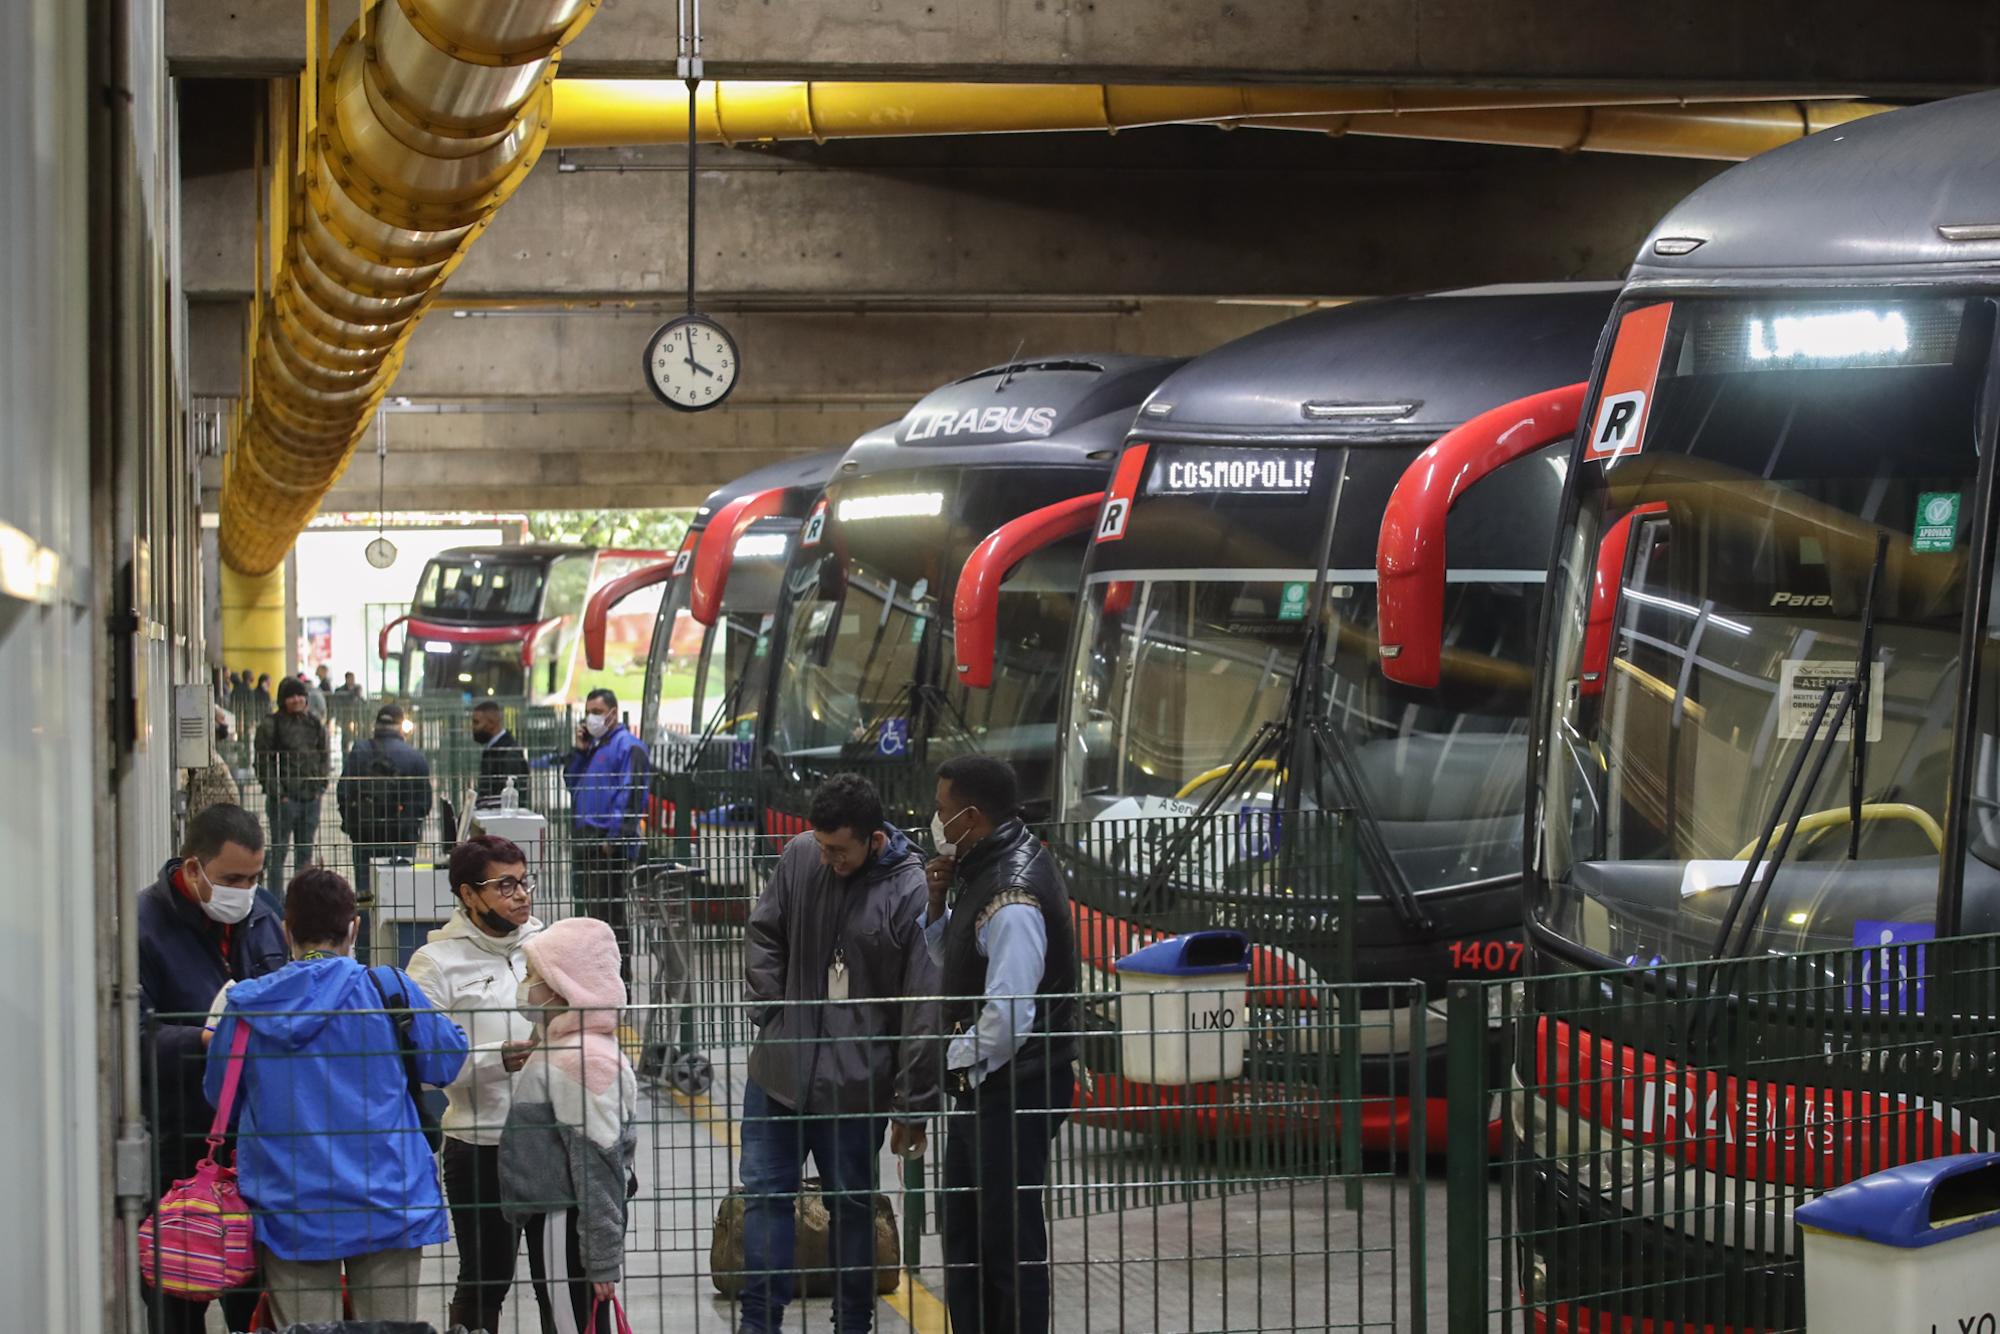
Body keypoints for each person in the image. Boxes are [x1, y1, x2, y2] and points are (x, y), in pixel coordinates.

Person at [205, 867, 467, 1326]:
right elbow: (445, 1062)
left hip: (292, 1205)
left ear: (287, 930)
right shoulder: (389, 990)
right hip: (389, 1201)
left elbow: (218, 1095)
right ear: (354, 928)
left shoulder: (247, 1006)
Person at [737, 773, 941, 1334]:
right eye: (821, 846)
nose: (827, 859)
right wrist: (772, 1010)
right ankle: (759, 1322)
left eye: (839, 850)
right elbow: (765, 931)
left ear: (875, 839)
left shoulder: (912, 891)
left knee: (851, 1207)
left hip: (855, 1087)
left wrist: (912, 1101)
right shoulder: (802, 855)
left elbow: (922, 1003)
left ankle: (853, 1322)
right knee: (765, 1198)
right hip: (779, 1074)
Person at [922, 755, 1078, 1334]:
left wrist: (954, 1059)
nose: (935, 821)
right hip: (990, 1083)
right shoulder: (981, 868)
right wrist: (936, 905)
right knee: (965, 1231)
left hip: (1018, 1084)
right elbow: (960, 961)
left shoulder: (1012, 895)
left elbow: (1009, 1014)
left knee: (1007, 1240)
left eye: (942, 810)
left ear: (971, 815)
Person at [138, 803, 289, 1334]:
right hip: (180, 1142)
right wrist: (206, 1038)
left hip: (254, 1145)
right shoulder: (144, 928)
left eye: (253, 878)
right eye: (232, 879)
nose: (243, 891)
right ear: (193, 867)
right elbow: (131, 1037)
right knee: (177, 1297)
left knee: (256, 1303)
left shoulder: (263, 916)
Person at [406, 835, 544, 1334]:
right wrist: (494, 1060)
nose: (522, 894)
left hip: (550, 1137)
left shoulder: (545, 944)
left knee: (562, 1275)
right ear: (469, 894)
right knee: (486, 1277)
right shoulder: (435, 963)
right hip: (480, 1141)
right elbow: (425, 1063)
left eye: (524, 880)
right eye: (505, 884)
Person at [500, 917, 639, 1334]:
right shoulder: (564, 1045)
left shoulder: (581, 1060)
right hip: (560, 1218)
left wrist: (600, 1260)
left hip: (566, 1221)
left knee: (570, 1324)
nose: (524, 984)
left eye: (532, 975)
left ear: (564, 987)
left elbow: (598, 1169)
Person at [562, 688, 648, 957]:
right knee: (594, 917)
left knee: (611, 919)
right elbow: (571, 783)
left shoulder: (628, 746)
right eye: (588, 712)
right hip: (587, 840)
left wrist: (614, 839)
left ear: (612, 713)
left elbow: (631, 794)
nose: (591, 718)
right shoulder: (595, 748)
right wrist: (579, 752)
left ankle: (620, 980)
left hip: (607, 845)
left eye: (597, 712)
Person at [337, 703, 434, 917]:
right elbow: (424, 802)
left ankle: (364, 945)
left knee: (365, 895)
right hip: (402, 838)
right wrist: (410, 823)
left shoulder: (360, 751)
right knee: (401, 895)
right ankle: (398, 944)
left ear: (376, 725)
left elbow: (344, 790)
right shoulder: (415, 757)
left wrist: (352, 824)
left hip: (365, 835)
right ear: (402, 727)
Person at [254, 676, 330, 889]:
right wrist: (279, 793)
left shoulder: (315, 724)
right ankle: (276, 902)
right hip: (283, 800)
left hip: (310, 798)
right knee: (279, 852)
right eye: (291, 696)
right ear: (282, 700)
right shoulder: (271, 725)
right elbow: (263, 762)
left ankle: (300, 898)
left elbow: (324, 756)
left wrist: (320, 787)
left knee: (304, 854)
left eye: (300, 695)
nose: (297, 700)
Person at [471, 700, 531, 808]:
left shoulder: (509, 753)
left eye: (477, 722)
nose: (473, 728)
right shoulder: (494, 749)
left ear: (491, 722)